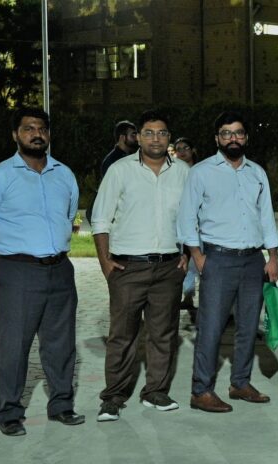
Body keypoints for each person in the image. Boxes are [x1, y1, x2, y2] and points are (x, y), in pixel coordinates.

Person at [0, 108, 84, 436]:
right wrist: (11, 244)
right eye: (28, 128)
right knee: (14, 344)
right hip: (17, 271)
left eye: (42, 129)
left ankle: (62, 405)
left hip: (61, 270)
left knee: (61, 344)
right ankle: (9, 412)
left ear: (48, 134)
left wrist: (66, 234)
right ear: (15, 135)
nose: (36, 134)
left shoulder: (65, 174)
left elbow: (75, 213)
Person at [177, 111, 278, 413]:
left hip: (252, 261)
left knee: (249, 326)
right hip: (218, 260)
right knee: (211, 327)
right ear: (217, 139)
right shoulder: (202, 172)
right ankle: (201, 391)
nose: (233, 138)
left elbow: (267, 217)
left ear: (246, 137)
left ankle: (240, 383)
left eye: (238, 133)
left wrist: (272, 258)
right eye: (226, 133)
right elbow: (186, 218)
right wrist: (199, 258)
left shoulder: (257, 173)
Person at [91, 110, 190, 421]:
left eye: (162, 133)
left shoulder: (184, 172)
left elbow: (192, 216)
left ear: (169, 138)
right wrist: (106, 263)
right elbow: (100, 219)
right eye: (148, 132)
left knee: (163, 333)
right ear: (138, 136)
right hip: (127, 267)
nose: (155, 138)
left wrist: (187, 252)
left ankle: (156, 392)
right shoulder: (120, 171)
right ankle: (113, 397)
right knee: (123, 335)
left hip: (169, 267)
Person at [87, 120, 138, 225]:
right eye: (133, 135)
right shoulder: (114, 161)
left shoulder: (128, 157)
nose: (136, 139)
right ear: (122, 137)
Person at [173, 137, 200, 314]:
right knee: (185, 260)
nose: (182, 152)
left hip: (200, 225)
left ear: (193, 151)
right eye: (178, 149)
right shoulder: (172, 172)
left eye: (186, 148)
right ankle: (187, 295)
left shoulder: (200, 171)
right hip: (181, 223)